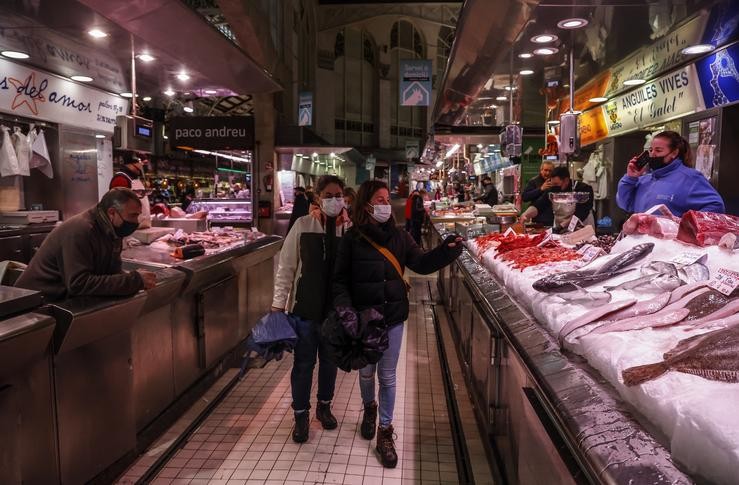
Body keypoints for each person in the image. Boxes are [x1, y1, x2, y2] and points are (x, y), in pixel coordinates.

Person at [332, 180, 463, 468]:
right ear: (366, 205)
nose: (384, 205)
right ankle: (369, 409)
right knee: (366, 374)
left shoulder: (401, 237)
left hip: (392, 318)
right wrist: (346, 311)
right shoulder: (351, 239)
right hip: (363, 321)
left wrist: (447, 251)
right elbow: (339, 280)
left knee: (387, 377)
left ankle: (385, 431)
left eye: (386, 200)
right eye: (378, 200)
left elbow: (422, 263)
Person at [271, 175, 351, 443]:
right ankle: (301, 415)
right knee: (303, 365)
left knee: (330, 363)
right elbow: (286, 267)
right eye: (328, 195)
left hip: (335, 313)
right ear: (317, 198)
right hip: (304, 310)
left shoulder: (349, 229)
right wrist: (278, 305)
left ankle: (324, 407)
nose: (334, 200)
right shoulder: (302, 225)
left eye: (338, 194)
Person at [16, 188, 157, 301]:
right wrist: (134, 280)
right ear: (112, 213)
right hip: (38, 305)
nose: (136, 221)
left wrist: (134, 278)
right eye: (132, 215)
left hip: (65, 299)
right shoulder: (81, 231)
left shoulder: (113, 230)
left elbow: (112, 271)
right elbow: (78, 283)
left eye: (138, 215)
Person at [617, 131, 725, 216]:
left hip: (671, 243)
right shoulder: (644, 179)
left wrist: (685, 226)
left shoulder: (690, 178)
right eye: (651, 150)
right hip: (640, 241)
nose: (653, 154)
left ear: (674, 153)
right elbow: (624, 204)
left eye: (658, 150)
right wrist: (630, 178)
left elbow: (716, 206)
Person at [520, 166, 595, 228]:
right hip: (561, 226)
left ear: (566, 180)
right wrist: (526, 214)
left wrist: (562, 226)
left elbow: (581, 213)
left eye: (556, 184)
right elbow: (539, 204)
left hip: (582, 227)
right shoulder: (553, 188)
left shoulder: (584, 189)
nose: (554, 187)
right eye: (553, 184)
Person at [110, 153, 151, 228]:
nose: (143, 166)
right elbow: (119, 207)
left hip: (140, 227)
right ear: (133, 162)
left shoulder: (134, 179)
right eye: (141, 163)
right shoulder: (121, 179)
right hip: (129, 230)